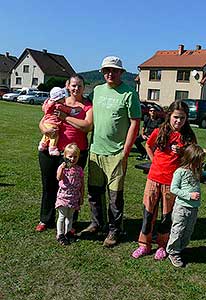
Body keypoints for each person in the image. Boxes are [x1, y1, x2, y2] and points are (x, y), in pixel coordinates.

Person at [83, 56, 141, 247]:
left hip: (116, 154)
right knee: (94, 192)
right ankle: (96, 223)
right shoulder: (97, 91)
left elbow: (135, 122)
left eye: (114, 70)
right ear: (102, 72)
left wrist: (126, 150)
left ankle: (114, 230)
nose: (110, 73)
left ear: (121, 72)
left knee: (115, 196)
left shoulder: (129, 93)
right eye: (106, 70)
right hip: (95, 151)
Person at [132, 100, 197, 260]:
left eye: (182, 118)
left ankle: (162, 245)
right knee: (148, 213)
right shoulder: (160, 130)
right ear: (169, 116)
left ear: (186, 118)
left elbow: (193, 158)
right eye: (175, 117)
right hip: (154, 178)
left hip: (173, 183)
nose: (178, 121)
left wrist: (182, 152)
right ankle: (144, 244)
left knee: (167, 216)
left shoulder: (188, 136)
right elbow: (148, 145)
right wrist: (154, 161)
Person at [35, 74, 93, 232]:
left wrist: (66, 117)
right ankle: (45, 219)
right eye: (73, 85)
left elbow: (87, 126)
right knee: (49, 185)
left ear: (84, 87)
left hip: (74, 153)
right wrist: (44, 128)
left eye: (79, 85)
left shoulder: (87, 106)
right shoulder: (59, 101)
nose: (76, 88)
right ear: (67, 86)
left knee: (72, 188)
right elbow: (44, 119)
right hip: (51, 150)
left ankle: (71, 223)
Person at [166, 144, 206, 267]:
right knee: (178, 230)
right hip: (181, 208)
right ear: (190, 159)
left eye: (200, 163)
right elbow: (173, 189)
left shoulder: (196, 171)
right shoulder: (180, 172)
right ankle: (173, 252)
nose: (199, 165)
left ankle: (180, 249)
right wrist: (189, 196)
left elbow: (205, 173)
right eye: (198, 162)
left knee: (188, 231)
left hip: (193, 208)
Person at [55, 143, 84, 245]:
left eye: (75, 156)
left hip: (74, 196)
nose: (72, 159)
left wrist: (81, 196)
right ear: (65, 156)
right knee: (62, 216)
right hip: (63, 195)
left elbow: (82, 183)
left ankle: (68, 232)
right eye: (70, 156)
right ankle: (60, 234)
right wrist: (62, 169)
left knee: (70, 216)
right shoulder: (63, 168)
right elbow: (58, 178)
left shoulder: (79, 169)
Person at [38, 87, 77, 156]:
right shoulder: (58, 106)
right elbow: (67, 110)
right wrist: (73, 111)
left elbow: (43, 110)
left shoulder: (47, 103)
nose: (64, 99)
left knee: (47, 135)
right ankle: (52, 148)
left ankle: (42, 144)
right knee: (55, 135)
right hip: (53, 123)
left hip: (46, 122)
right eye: (63, 98)